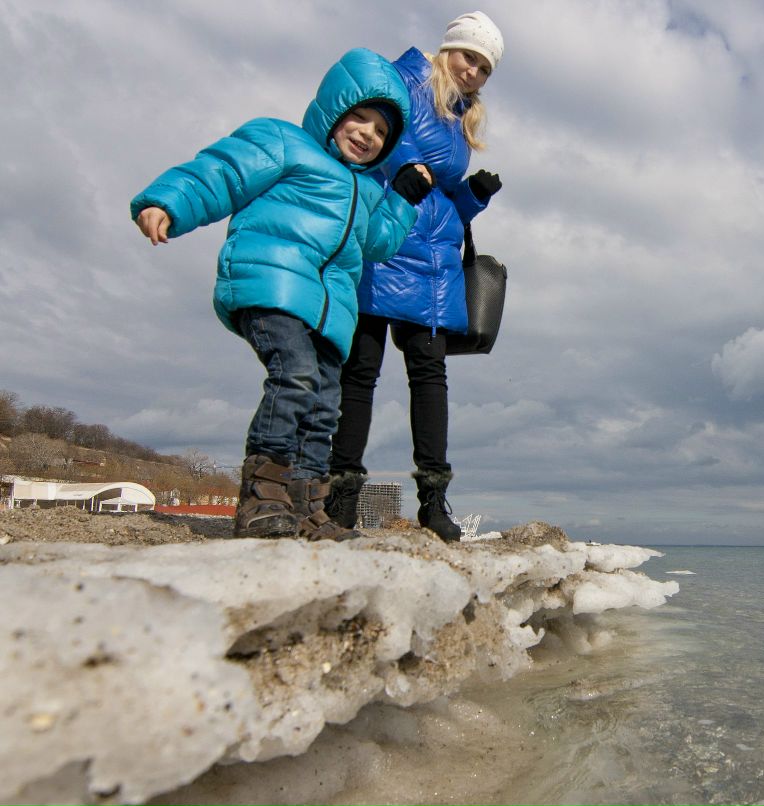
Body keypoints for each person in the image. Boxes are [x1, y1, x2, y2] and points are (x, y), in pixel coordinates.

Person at [130, 48, 436, 541]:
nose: (367, 134)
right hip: (272, 283)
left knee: (323, 408)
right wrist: (168, 201)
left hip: (329, 311)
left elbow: (378, 242)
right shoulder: (285, 142)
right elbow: (221, 173)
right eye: (359, 117)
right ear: (333, 109)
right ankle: (261, 496)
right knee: (293, 376)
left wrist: (401, 199)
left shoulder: (367, 190)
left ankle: (305, 505)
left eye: (382, 132)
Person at [325, 12, 505, 541]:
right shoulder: (397, 83)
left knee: (429, 379)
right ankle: (340, 501)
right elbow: (366, 152)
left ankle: (433, 503)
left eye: (485, 67)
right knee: (359, 373)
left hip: (432, 265)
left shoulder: (463, 117)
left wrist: (472, 196)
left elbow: (442, 199)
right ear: (448, 48)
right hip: (382, 243)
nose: (473, 70)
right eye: (469, 56)